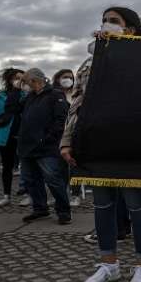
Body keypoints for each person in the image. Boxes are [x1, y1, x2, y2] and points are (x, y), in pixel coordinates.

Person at [62, 7, 141, 282]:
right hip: (96, 141)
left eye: (114, 21)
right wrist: (67, 139)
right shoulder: (89, 65)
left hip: (131, 141)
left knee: (136, 204)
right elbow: (76, 103)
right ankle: (108, 264)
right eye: (104, 20)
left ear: (130, 29)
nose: (106, 25)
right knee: (102, 204)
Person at [18, 68, 71, 224]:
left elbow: (60, 120)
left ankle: (63, 211)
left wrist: (47, 139)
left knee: (53, 179)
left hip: (46, 147)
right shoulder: (30, 97)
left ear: (35, 81)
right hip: (27, 146)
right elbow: (16, 109)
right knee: (31, 180)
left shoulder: (55, 95)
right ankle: (40, 208)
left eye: (26, 82)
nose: (24, 85)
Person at [0, 68, 25, 207]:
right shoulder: (1, 97)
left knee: (28, 166)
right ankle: (6, 195)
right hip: (6, 135)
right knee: (7, 166)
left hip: (24, 134)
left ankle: (28, 193)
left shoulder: (27, 94)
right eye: (16, 78)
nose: (19, 81)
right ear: (9, 79)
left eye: (21, 78)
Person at [52, 68, 82, 207]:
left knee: (74, 166)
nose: (68, 79)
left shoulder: (76, 94)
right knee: (59, 168)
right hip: (57, 135)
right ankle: (60, 194)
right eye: (65, 77)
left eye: (70, 77)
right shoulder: (54, 95)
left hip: (74, 135)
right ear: (58, 79)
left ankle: (75, 195)